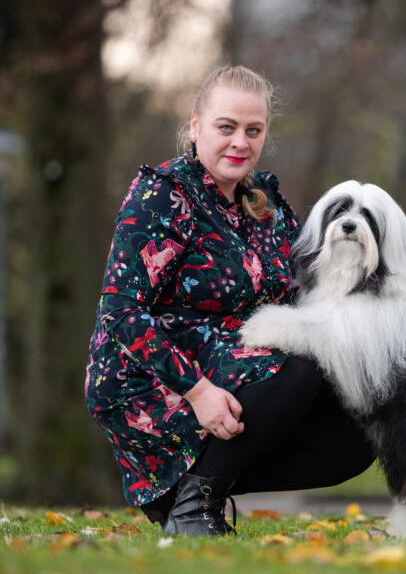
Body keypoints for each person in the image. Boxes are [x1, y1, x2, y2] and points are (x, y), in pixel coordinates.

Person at [85, 65, 374, 536]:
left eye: (253, 130)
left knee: (355, 436)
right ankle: (193, 507)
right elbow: (120, 313)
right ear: (196, 127)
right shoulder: (163, 195)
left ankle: (191, 491)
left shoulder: (265, 203)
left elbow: (307, 289)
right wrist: (198, 393)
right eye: (226, 127)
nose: (240, 142)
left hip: (240, 363)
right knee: (298, 365)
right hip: (151, 380)